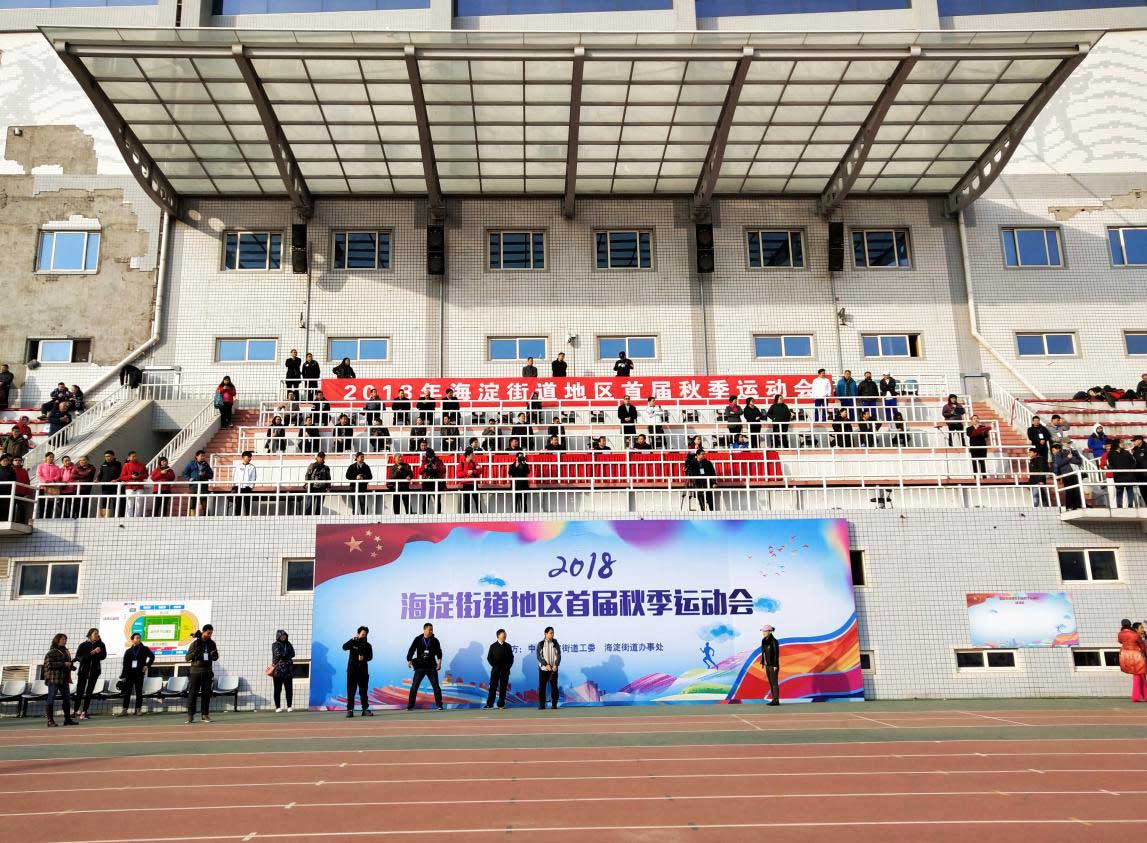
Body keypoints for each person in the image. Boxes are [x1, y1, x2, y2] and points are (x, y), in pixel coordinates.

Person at [405, 622, 443, 711]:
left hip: (431, 666)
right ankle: (410, 706)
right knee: (414, 686)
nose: (431, 631)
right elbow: (411, 649)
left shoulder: (435, 640)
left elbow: (439, 652)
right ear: (424, 629)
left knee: (436, 686)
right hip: (420, 666)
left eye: (432, 630)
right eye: (430, 630)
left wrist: (439, 663)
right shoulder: (418, 639)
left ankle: (439, 705)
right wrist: (409, 660)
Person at [185, 625, 219, 724]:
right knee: (192, 694)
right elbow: (187, 658)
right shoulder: (195, 643)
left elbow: (215, 657)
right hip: (195, 672)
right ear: (203, 632)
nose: (209, 635)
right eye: (208, 633)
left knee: (206, 694)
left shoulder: (212, 643)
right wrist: (195, 653)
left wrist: (214, 655)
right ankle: (190, 715)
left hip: (207, 672)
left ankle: (205, 715)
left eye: (211, 633)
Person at [42, 633, 76, 727]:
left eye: (65, 639)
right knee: (51, 698)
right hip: (54, 679)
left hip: (64, 679)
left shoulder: (66, 651)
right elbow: (49, 665)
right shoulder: (52, 652)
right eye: (63, 639)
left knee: (67, 699)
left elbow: (66, 663)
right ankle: (50, 721)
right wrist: (64, 664)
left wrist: (71, 666)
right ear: (57, 640)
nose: (65, 641)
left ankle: (67, 719)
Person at [72, 628, 106, 720]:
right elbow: (79, 658)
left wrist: (98, 652)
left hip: (95, 671)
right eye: (95, 633)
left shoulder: (101, 644)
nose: (97, 635)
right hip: (83, 671)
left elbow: (103, 656)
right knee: (80, 691)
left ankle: (84, 712)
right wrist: (92, 653)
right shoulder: (83, 645)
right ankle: (75, 711)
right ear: (90, 635)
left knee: (89, 692)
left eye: (98, 633)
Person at [118, 632, 154, 716]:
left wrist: (147, 665)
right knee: (127, 692)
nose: (138, 639)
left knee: (139, 692)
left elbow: (152, 657)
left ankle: (138, 710)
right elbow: (125, 664)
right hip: (129, 674)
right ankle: (124, 710)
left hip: (139, 673)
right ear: (132, 640)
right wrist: (123, 675)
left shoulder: (144, 649)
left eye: (139, 638)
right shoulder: (128, 651)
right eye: (137, 638)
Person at [342, 626, 374, 717]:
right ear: (358, 634)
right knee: (351, 691)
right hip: (352, 671)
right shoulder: (353, 642)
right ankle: (350, 710)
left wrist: (364, 658)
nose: (364, 636)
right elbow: (344, 647)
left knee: (363, 691)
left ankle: (365, 709)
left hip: (363, 671)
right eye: (362, 634)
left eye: (365, 635)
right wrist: (352, 640)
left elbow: (370, 657)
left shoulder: (368, 645)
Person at [484, 629, 514, 710]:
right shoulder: (493, 646)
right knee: (492, 687)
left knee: (503, 688)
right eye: (503, 634)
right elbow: (489, 658)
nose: (505, 636)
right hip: (495, 671)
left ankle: (501, 704)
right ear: (498, 636)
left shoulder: (508, 646)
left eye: (505, 634)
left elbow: (511, 658)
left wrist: (508, 667)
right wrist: (495, 666)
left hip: (505, 671)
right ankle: (489, 704)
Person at [1118, 619, 1147, 702]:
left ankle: (1137, 696)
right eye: (1141, 627)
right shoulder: (1135, 635)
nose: (1143, 629)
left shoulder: (1120, 634)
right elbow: (1142, 646)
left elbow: (1120, 641)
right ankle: (1142, 696)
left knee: (1137, 676)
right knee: (1141, 676)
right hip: (1137, 656)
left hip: (1127, 657)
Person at [1051, 442, 1083, 510]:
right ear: (1063, 444)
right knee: (1069, 490)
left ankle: (1076, 506)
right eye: (1067, 443)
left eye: (1069, 443)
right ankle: (1069, 506)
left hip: (1075, 472)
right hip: (1066, 473)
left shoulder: (1073, 451)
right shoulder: (1059, 453)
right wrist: (1068, 458)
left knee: (1076, 490)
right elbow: (1059, 463)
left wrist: (1071, 458)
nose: (1069, 444)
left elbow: (1079, 461)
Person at [1108, 439, 1139, 508]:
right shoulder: (1111, 453)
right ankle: (1119, 506)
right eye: (1121, 443)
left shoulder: (1126, 452)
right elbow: (1111, 464)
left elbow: (1133, 462)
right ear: (1116, 444)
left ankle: (1130, 505)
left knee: (1130, 490)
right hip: (1118, 476)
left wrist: (1130, 470)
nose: (1123, 444)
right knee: (1119, 491)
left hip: (1128, 475)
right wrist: (1115, 470)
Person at [536, 626, 561, 710]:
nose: (552, 634)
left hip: (553, 669)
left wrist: (556, 665)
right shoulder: (541, 644)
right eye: (551, 633)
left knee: (554, 687)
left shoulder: (555, 643)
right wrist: (546, 665)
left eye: (553, 633)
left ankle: (554, 704)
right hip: (543, 669)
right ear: (545, 633)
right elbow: (539, 656)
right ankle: (542, 705)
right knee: (542, 688)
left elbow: (558, 655)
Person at [182, 450, 214, 516]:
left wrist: (205, 474)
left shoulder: (206, 464)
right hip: (194, 485)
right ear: (196, 456)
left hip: (203, 485)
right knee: (193, 500)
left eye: (204, 456)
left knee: (204, 500)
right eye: (201, 456)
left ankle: (206, 516)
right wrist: (189, 479)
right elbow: (185, 473)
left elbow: (211, 475)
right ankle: (192, 516)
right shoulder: (191, 464)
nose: (203, 457)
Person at [118, 451, 149, 517]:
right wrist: (131, 476)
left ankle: (137, 517)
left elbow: (146, 475)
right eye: (133, 456)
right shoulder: (126, 465)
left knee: (139, 503)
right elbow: (122, 477)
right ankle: (128, 518)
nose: (135, 457)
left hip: (139, 486)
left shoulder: (142, 465)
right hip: (129, 487)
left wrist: (139, 476)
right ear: (129, 457)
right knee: (129, 503)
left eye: (136, 456)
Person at [271, 630, 295, 713]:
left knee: (289, 689)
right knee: (277, 689)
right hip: (278, 670)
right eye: (282, 636)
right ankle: (277, 707)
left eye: (285, 635)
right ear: (278, 636)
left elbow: (293, 654)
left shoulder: (288, 644)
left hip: (288, 670)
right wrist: (285, 655)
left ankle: (289, 706)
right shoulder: (275, 644)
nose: (284, 637)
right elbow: (277, 655)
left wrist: (285, 655)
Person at [35, 451, 63, 518]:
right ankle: (41, 518)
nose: (51, 458)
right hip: (43, 487)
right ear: (46, 457)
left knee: (50, 504)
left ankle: (48, 518)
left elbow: (58, 476)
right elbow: (39, 475)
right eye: (50, 457)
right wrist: (45, 481)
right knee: (42, 504)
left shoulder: (56, 467)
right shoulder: (41, 466)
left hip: (52, 487)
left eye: (52, 457)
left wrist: (52, 481)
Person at [230, 450, 257, 515]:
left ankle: (247, 517)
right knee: (238, 503)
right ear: (243, 457)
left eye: (250, 457)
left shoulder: (252, 467)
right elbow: (235, 476)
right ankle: (237, 517)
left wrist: (250, 487)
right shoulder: (238, 466)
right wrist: (234, 486)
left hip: (247, 488)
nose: (249, 458)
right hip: (238, 487)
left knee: (247, 504)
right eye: (248, 457)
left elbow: (253, 478)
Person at [97, 450, 122, 518]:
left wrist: (116, 480)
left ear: (113, 456)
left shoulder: (118, 464)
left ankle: (116, 517)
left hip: (115, 486)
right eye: (105, 456)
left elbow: (121, 475)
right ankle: (104, 517)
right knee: (104, 501)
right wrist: (97, 479)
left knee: (115, 501)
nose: (107, 458)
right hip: (105, 487)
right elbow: (100, 474)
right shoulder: (103, 464)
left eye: (108, 456)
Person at [690, 447, 716, 511]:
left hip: (707, 484)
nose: (703, 455)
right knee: (702, 503)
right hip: (698, 485)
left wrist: (714, 482)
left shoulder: (708, 463)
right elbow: (690, 473)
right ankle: (703, 514)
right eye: (702, 454)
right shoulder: (693, 463)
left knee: (710, 501)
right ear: (697, 455)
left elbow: (712, 473)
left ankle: (712, 513)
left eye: (704, 454)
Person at [420, 448, 446, 514]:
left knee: (437, 500)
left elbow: (444, 470)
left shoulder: (438, 461)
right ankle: (424, 515)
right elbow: (420, 472)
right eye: (428, 458)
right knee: (425, 499)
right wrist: (424, 468)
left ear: (434, 456)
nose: (430, 459)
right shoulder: (424, 461)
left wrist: (436, 468)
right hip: (426, 482)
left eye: (431, 457)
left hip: (436, 482)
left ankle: (438, 515)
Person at [304, 451, 330, 515]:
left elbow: (328, 478)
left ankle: (317, 518)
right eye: (320, 457)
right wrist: (307, 483)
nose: (321, 458)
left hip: (322, 488)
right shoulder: (312, 465)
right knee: (309, 505)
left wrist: (328, 487)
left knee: (319, 506)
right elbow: (307, 475)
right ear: (317, 457)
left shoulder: (326, 468)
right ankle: (307, 518)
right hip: (312, 487)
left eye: (323, 457)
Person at [760, 625, 780, 706]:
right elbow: (763, 652)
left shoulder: (774, 641)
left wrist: (775, 665)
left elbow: (776, 654)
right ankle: (774, 699)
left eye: (765, 631)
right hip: (767, 665)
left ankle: (776, 700)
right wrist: (763, 662)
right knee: (771, 682)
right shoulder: (764, 640)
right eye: (763, 631)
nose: (763, 633)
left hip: (773, 665)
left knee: (774, 682)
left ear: (770, 631)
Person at [461, 447, 484, 514]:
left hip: (474, 483)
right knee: (467, 500)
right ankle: (467, 514)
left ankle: (479, 513)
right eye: (472, 454)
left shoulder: (474, 463)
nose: (473, 456)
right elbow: (458, 474)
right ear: (468, 455)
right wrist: (466, 472)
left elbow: (480, 471)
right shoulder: (462, 464)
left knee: (477, 500)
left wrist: (473, 471)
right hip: (466, 484)